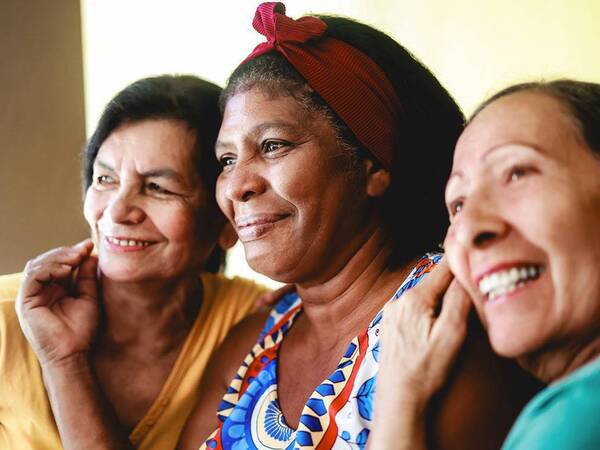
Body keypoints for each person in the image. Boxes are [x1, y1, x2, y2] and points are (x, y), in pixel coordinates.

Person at [178, 4, 541, 449]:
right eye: (227, 160)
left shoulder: (446, 318)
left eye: (272, 146)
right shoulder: (254, 339)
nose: (236, 185)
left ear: (371, 164)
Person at [0, 74, 269, 450]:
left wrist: (66, 363)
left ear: (227, 223)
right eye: (105, 179)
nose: (117, 210)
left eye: (157, 187)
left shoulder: (254, 322)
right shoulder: (7, 317)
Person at [369, 79, 600, 449]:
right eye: (457, 204)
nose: (471, 228)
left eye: (517, 173)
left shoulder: (577, 421)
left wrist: (398, 400)